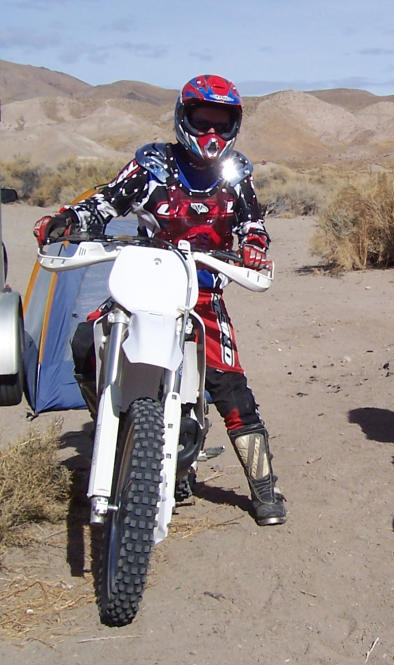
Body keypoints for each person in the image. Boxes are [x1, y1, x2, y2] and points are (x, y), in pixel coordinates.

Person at [33, 74, 286, 527]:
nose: (211, 132)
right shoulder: (153, 164)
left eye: (221, 123)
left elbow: (254, 225)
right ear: (184, 118)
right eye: (202, 120)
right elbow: (106, 202)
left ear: (235, 125)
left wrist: (253, 246)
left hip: (201, 292)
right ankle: (117, 429)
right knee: (86, 344)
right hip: (145, 286)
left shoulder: (236, 174)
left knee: (229, 384)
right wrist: (68, 218)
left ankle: (264, 486)